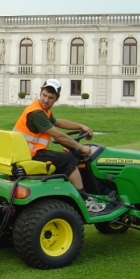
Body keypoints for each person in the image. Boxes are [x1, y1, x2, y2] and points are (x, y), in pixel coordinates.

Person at [13, 78, 106, 213]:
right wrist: (81, 148)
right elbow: (59, 136)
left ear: (56, 98)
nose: (46, 100)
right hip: (31, 155)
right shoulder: (37, 113)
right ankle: (85, 199)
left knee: (63, 157)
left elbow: (58, 123)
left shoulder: (42, 110)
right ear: (40, 92)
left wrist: (81, 126)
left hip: (27, 153)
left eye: (51, 97)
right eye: (44, 95)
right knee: (68, 159)